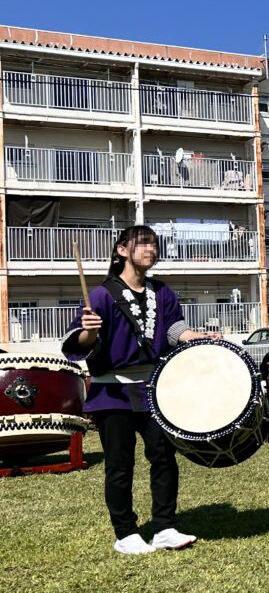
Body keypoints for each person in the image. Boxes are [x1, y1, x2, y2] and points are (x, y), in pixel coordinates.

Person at [62, 226, 221, 555]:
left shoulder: (162, 292)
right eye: (143, 243)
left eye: (154, 244)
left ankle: (164, 526)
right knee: (120, 463)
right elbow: (81, 344)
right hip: (113, 392)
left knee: (164, 457)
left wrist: (195, 336)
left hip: (155, 389)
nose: (151, 249)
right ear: (122, 250)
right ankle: (125, 533)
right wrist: (88, 333)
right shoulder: (101, 296)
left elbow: (175, 327)